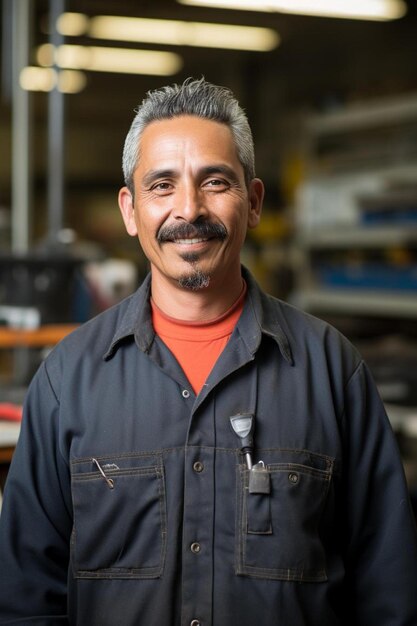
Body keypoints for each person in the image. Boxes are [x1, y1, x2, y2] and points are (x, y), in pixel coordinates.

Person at [0, 77, 416, 626]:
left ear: (255, 202)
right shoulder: (67, 379)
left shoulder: (333, 371)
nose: (189, 209)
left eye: (215, 181)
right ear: (130, 210)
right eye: (162, 186)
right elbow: (26, 601)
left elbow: (390, 597)